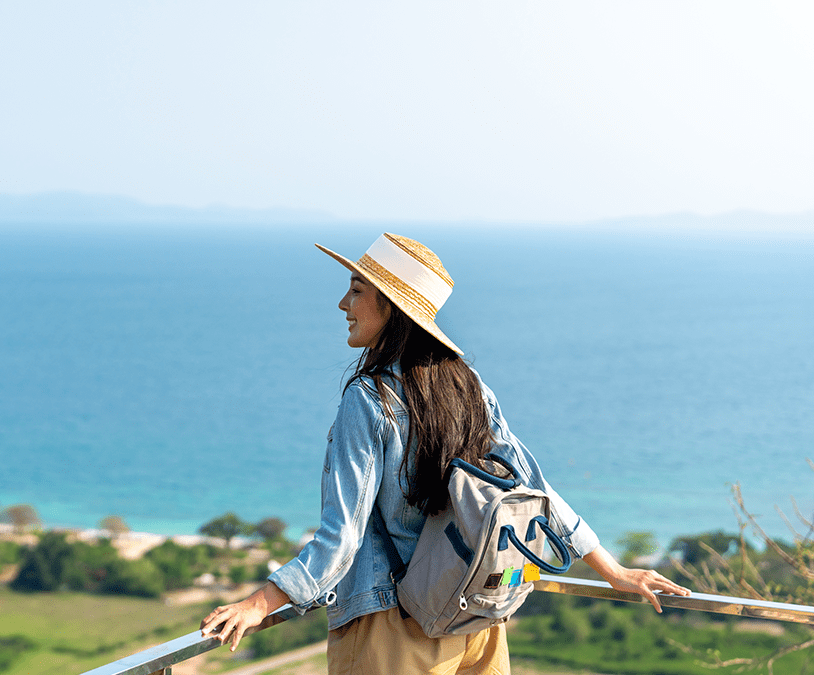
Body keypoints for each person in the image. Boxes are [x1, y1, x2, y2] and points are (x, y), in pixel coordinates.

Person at [200, 233, 690, 674]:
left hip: (392, 628)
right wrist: (614, 571)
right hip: (476, 619)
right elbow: (532, 491)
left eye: (356, 290)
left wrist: (261, 603)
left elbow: (343, 537)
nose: (342, 303)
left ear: (389, 306)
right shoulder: (468, 386)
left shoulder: (369, 399)